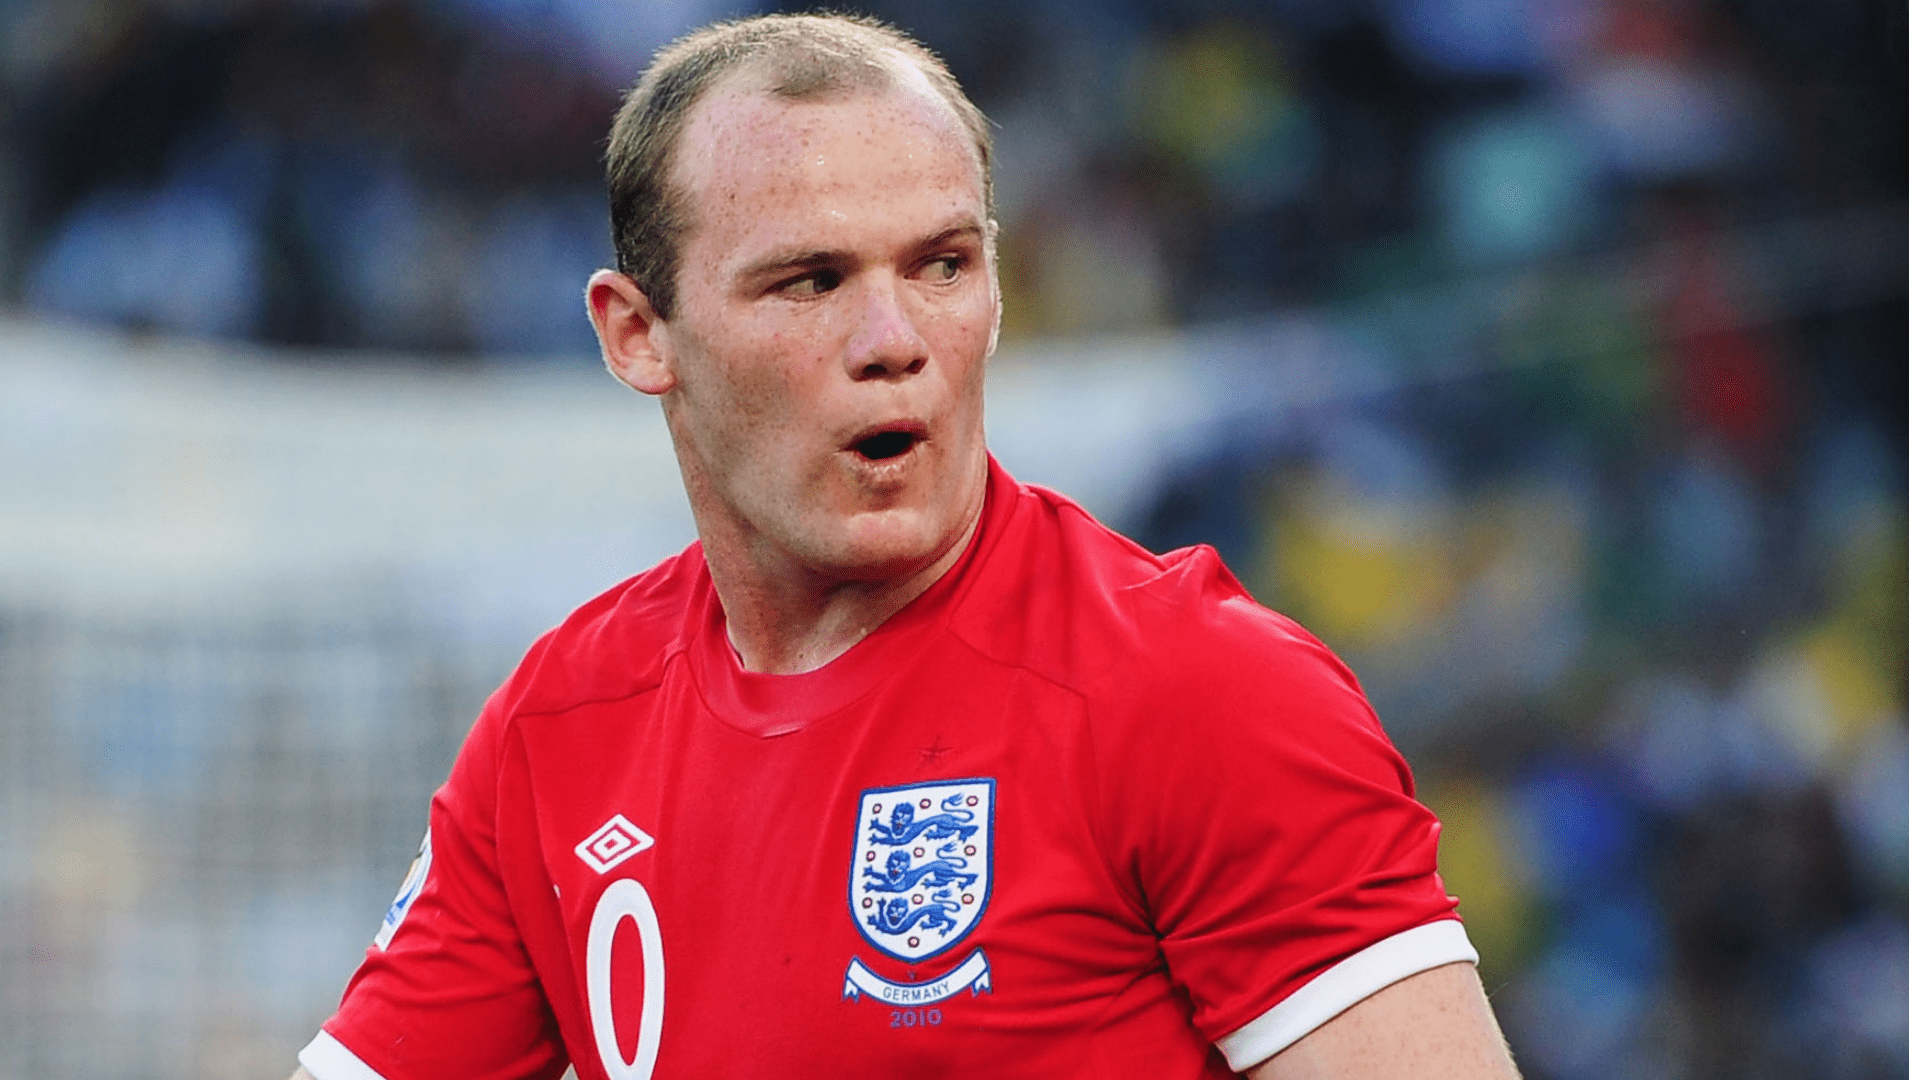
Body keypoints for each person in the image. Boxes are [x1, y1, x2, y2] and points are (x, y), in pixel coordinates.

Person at [290, 13, 1520, 1080]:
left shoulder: (1199, 692)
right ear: (637, 336)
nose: (895, 339)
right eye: (810, 282)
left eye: (942, 265)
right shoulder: (560, 726)